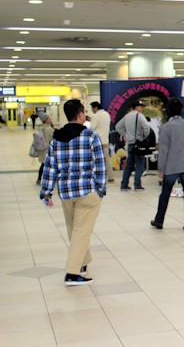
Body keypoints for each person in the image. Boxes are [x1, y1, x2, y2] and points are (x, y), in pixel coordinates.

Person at [40, 99, 106, 286]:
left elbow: (50, 167)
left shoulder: (56, 139)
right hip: (87, 191)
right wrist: (100, 189)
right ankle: (72, 273)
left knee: (74, 229)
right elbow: (100, 165)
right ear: (80, 115)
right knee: (81, 231)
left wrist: (46, 191)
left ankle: (82, 262)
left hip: (66, 192)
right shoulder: (90, 136)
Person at [151, 97, 184, 231]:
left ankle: (159, 220)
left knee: (165, 194)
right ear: (182, 110)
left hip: (171, 167)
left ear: (168, 110)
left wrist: (161, 169)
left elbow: (163, 151)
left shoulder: (166, 127)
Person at [115, 101, 150, 191]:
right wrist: (143, 136)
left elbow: (118, 126)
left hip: (130, 144)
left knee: (129, 165)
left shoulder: (127, 116)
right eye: (141, 106)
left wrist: (126, 134)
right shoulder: (139, 115)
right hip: (138, 144)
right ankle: (137, 185)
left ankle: (124, 185)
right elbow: (147, 127)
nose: (142, 109)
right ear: (137, 107)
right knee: (140, 165)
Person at [89, 102, 115, 183]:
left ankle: (98, 177)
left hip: (97, 141)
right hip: (105, 140)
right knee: (107, 159)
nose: (92, 110)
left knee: (96, 160)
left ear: (96, 108)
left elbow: (91, 128)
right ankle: (110, 176)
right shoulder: (107, 114)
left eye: (92, 108)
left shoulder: (96, 115)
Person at [35, 112, 55, 185]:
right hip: (48, 150)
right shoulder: (48, 129)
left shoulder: (40, 127)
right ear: (46, 120)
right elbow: (55, 136)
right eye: (49, 118)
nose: (50, 119)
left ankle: (39, 179)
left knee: (43, 165)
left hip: (42, 149)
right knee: (51, 165)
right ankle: (50, 180)